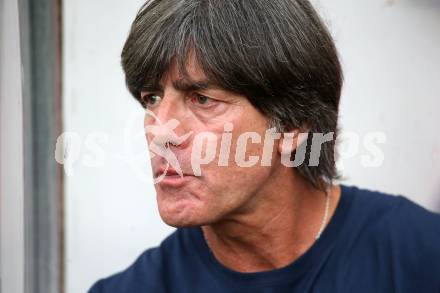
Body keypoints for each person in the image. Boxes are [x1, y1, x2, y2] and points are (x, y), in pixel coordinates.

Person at [88, 0, 440, 292]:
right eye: (151, 98)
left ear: (292, 126)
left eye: (202, 99)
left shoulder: (418, 255)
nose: (159, 132)